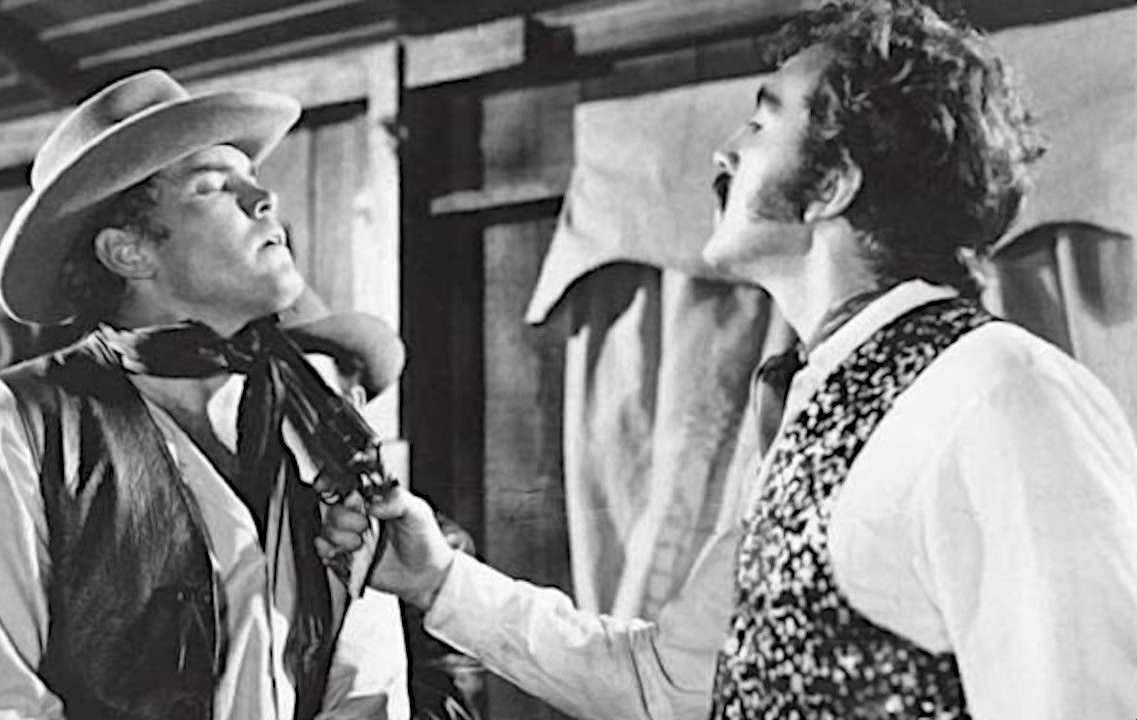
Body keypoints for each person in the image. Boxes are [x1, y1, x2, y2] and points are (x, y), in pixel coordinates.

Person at [318, 2, 1137, 719]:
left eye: (761, 123)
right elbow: (668, 687)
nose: (723, 152)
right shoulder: (820, 407)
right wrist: (437, 582)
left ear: (833, 186)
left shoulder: (997, 392)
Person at [0, 69, 410, 720]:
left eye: (252, 178)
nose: (264, 199)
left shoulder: (315, 416)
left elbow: (369, 687)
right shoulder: (9, 424)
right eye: (212, 186)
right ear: (128, 252)